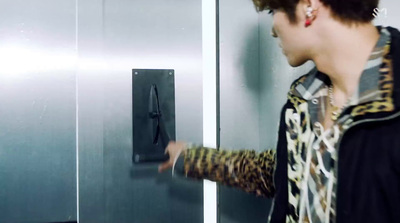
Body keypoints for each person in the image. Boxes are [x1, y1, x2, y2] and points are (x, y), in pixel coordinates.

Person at [159, 0, 400, 222]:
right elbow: (280, 173)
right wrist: (192, 158)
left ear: (309, 5)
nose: (273, 29)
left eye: (274, 11)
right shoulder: (306, 99)